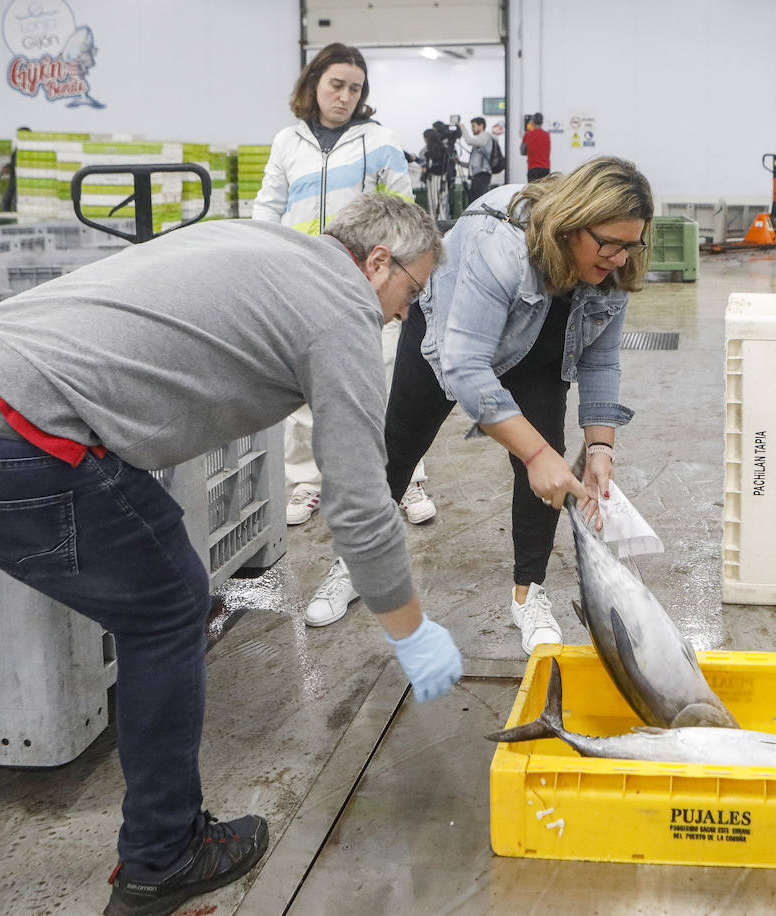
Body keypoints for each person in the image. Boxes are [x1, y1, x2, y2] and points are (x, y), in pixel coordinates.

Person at [0, 193, 462, 916]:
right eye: (409, 292)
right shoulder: (341, 308)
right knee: (172, 607)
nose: (400, 313)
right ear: (377, 261)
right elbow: (360, 503)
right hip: (5, 433)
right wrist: (412, 631)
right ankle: (163, 856)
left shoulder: (255, 243)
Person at [316, 156, 653, 654]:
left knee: (548, 458)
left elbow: (601, 361)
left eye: (632, 245)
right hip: (451, 336)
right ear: (571, 225)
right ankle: (354, 561)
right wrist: (535, 455)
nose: (620, 258)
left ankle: (528, 593)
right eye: (609, 244)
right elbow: (465, 365)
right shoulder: (499, 244)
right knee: (399, 446)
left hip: (539, 344)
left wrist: (601, 446)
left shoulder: (614, 265)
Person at [254, 42, 438, 555]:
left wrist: (403, 276)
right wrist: (262, 256)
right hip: (301, 275)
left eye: (355, 88)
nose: (345, 96)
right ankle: (306, 481)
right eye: (337, 84)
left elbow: (404, 212)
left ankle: (407, 478)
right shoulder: (287, 141)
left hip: (367, 280)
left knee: (384, 378)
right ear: (314, 83)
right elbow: (269, 204)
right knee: (304, 384)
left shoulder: (379, 142)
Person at [461, 116, 500, 202]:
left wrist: (462, 128)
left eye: (474, 126)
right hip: (478, 175)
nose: (472, 129)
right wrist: (459, 162)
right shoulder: (479, 141)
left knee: (479, 201)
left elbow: (469, 141)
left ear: (481, 126)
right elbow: (474, 164)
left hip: (482, 175)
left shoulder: (484, 136)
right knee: (475, 201)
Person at [521, 112, 551, 182]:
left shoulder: (528, 134)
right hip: (545, 168)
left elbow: (522, 151)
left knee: (532, 191)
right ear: (542, 122)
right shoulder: (546, 135)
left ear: (532, 122)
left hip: (533, 168)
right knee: (544, 190)